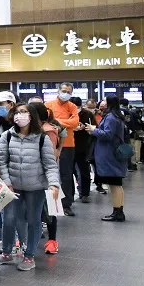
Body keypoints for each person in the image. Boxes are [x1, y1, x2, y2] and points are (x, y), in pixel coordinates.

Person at [0, 104, 61, 271]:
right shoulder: (7, 136)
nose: (19, 116)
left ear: (31, 116)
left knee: (33, 220)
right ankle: (7, 252)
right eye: (17, 112)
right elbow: (1, 161)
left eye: (23, 112)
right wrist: (7, 182)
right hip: (13, 186)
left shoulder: (42, 138)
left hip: (35, 187)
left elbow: (50, 164)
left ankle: (29, 256)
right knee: (9, 219)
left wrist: (54, 184)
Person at [85, 97, 128, 222]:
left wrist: (94, 130)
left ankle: (118, 212)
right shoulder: (116, 116)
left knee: (114, 184)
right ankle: (118, 210)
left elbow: (107, 135)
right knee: (116, 184)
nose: (102, 102)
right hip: (113, 155)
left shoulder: (111, 117)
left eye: (104, 100)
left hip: (110, 156)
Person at [30, 103, 62, 255]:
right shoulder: (31, 131)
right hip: (31, 177)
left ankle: (52, 240)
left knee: (50, 209)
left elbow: (52, 157)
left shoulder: (49, 132)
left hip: (47, 177)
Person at [45, 83, 79, 215]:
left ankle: (66, 204)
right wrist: (66, 121)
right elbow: (46, 122)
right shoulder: (49, 105)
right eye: (64, 91)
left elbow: (75, 122)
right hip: (50, 143)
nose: (66, 93)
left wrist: (56, 121)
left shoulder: (73, 106)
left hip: (68, 144)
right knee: (49, 174)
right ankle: (49, 204)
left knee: (66, 174)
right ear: (58, 91)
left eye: (69, 92)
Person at [71, 97, 97, 200]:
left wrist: (86, 128)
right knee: (68, 172)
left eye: (77, 107)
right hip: (68, 146)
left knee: (84, 171)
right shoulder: (67, 113)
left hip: (83, 146)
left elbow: (95, 127)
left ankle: (85, 193)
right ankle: (70, 194)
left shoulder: (87, 114)